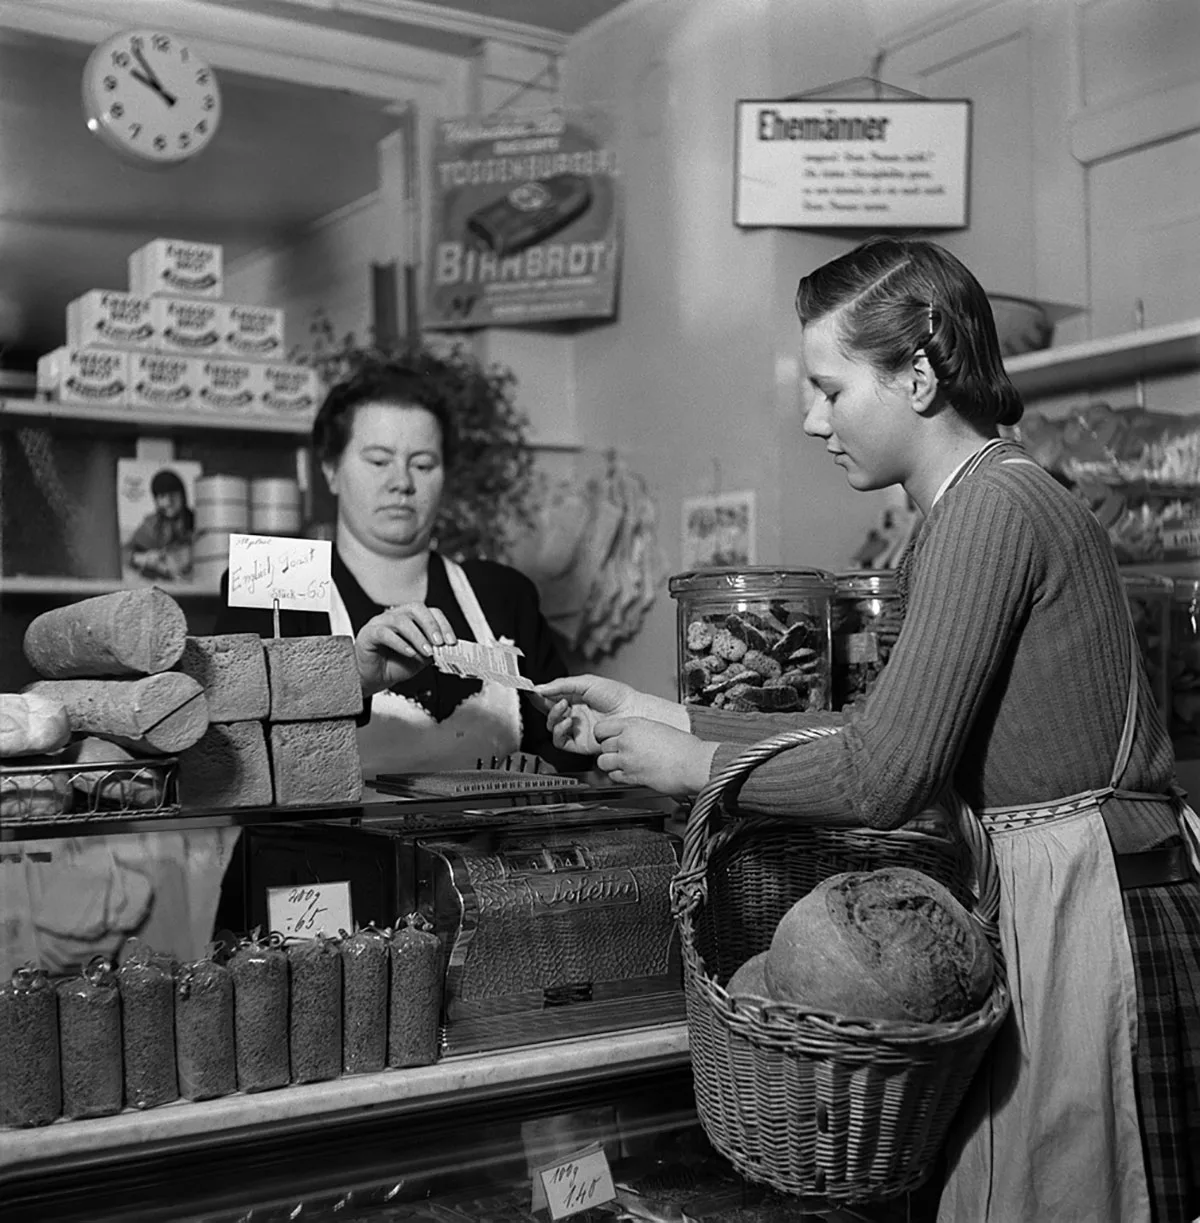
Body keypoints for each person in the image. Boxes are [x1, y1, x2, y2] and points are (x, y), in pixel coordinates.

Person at [537, 237, 1200, 1223]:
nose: (812, 419)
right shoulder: (975, 503)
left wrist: (690, 766)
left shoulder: (991, 510)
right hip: (1071, 897)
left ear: (920, 376)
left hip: (1091, 917)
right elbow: (885, 728)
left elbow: (885, 773)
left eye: (831, 388)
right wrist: (658, 710)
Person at [216, 352, 584, 778]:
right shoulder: (274, 576)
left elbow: (565, 749)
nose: (402, 482)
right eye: (378, 460)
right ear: (331, 470)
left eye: (423, 464)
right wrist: (349, 678)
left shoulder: (500, 593)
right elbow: (232, 756)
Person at [127, 467, 194, 581]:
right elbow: (126, 553)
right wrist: (142, 558)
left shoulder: (196, 522)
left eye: (173, 495)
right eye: (162, 496)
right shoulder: (152, 524)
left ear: (182, 495)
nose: (168, 502)